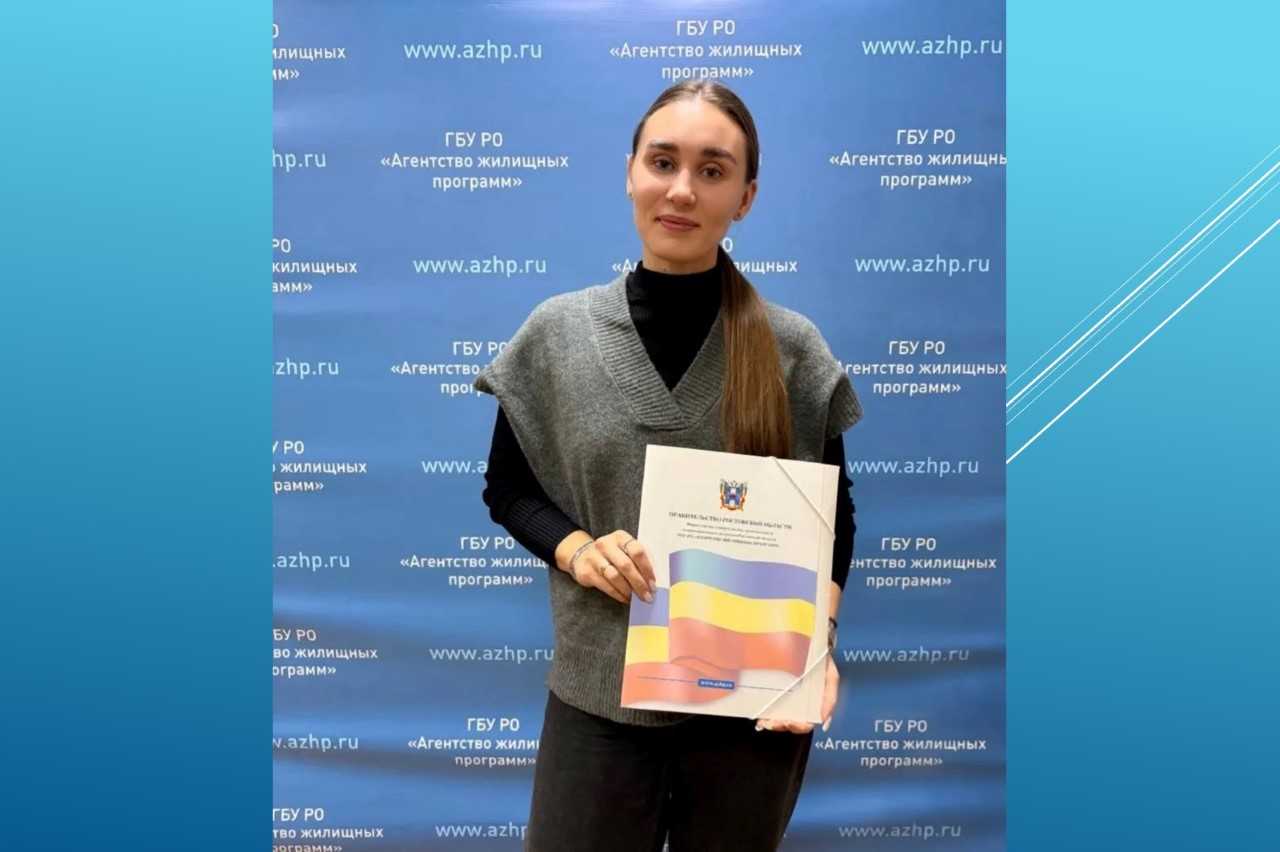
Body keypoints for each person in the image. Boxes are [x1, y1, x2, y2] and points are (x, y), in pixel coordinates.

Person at [473, 80, 862, 852]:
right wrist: (577, 550)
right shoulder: (557, 335)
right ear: (630, 173)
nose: (682, 189)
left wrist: (817, 644)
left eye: (713, 170)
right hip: (597, 702)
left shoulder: (791, 349)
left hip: (750, 708)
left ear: (745, 198)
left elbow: (835, 519)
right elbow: (507, 488)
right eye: (663, 162)